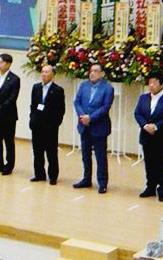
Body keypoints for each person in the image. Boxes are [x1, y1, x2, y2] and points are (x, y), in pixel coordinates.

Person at [134, 72, 163, 201]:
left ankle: (162, 189)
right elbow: (137, 113)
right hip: (146, 135)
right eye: (150, 82)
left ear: (162, 85)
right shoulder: (143, 98)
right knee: (149, 163)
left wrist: (156, 126)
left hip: (162, 137)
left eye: (155, 83)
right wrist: (145, 125)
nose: (151, 85)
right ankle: (150, 187)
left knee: (162, 165)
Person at [74, 63, 113, 193]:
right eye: (91, 71)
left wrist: (90, 118)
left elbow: (105, 107)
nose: (92, 73)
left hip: (99, 127)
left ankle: (102, 183)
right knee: (85, 155)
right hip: (84, 126)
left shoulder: (108, 88)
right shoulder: (83, 85)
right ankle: (86, 179)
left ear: (102, 73)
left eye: (96, 71)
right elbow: (77, 101)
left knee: (100, 157)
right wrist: (82, 116)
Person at [29, 64, 65, 184]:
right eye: (42, 72)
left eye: (47, 72)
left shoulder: (58, 90)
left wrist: (54, 125)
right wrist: (32, 120)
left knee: (51, 153)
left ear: (52, 74)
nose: (44, 74)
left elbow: (60, 110)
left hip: (50, 127)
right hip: (37, 126)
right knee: (37, 152)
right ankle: (39, 174)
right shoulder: (36, 87)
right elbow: (33, 106)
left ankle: (53, 176)